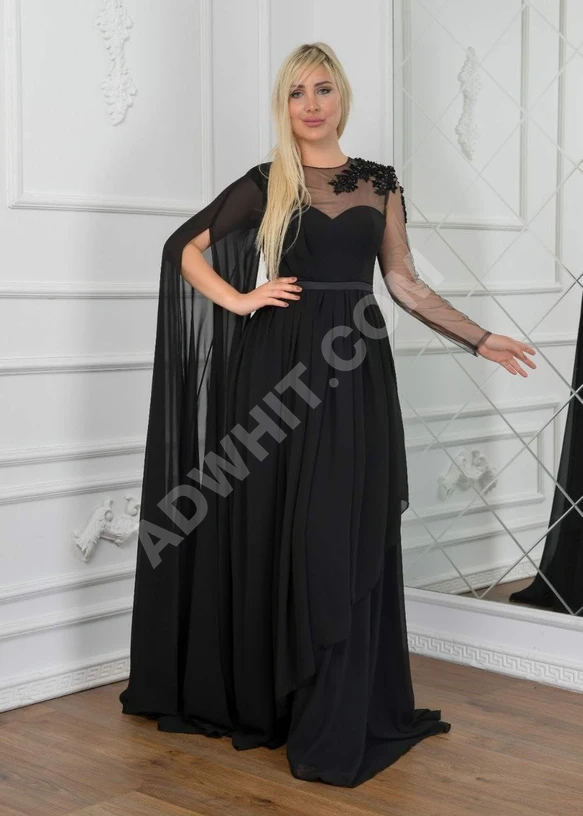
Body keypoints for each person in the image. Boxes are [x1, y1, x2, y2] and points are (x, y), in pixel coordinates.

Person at [119, 42, 537, 788]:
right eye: (295, 93)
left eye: (322, 89)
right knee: (282, 525)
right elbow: (183, 247)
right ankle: (280, 699)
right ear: (283, 106)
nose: (310, 105)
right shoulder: (266, 181)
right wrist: (240, 298)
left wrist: (479, 338)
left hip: (353, 372)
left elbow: (404, 284)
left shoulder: (379, 182)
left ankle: (338, 701)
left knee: (339, 526)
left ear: (341, 96)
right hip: (274, 370)